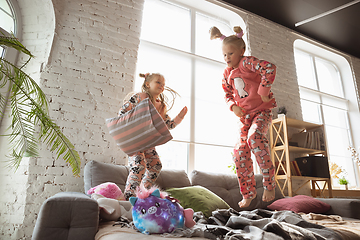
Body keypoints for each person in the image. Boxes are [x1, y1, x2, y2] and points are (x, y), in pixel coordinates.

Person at [210, 26, 277, 208]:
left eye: (230, 53)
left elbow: (269, 68)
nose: (227, 58)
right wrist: (232, 106)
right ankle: (248, 193)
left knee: (254, 138)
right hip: (245, 117)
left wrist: (264, 91)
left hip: (262, 112)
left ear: (241, 51)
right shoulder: (226, 73)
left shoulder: (247, 63)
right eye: (224, 55)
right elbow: (226, 94)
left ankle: (269, 185)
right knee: (239, 151)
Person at [119, 73, 188, 200]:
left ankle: (142, 194)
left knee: (156, 165)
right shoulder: (140, 97)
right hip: (134, 139)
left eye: (163, 84)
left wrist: (180, 117)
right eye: (158, 83)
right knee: (139, 166)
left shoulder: (161, 105)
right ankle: (129, 197)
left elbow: (168, 125)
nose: (162, 86)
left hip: (148, 142)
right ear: (147, 84)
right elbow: (123, 112)